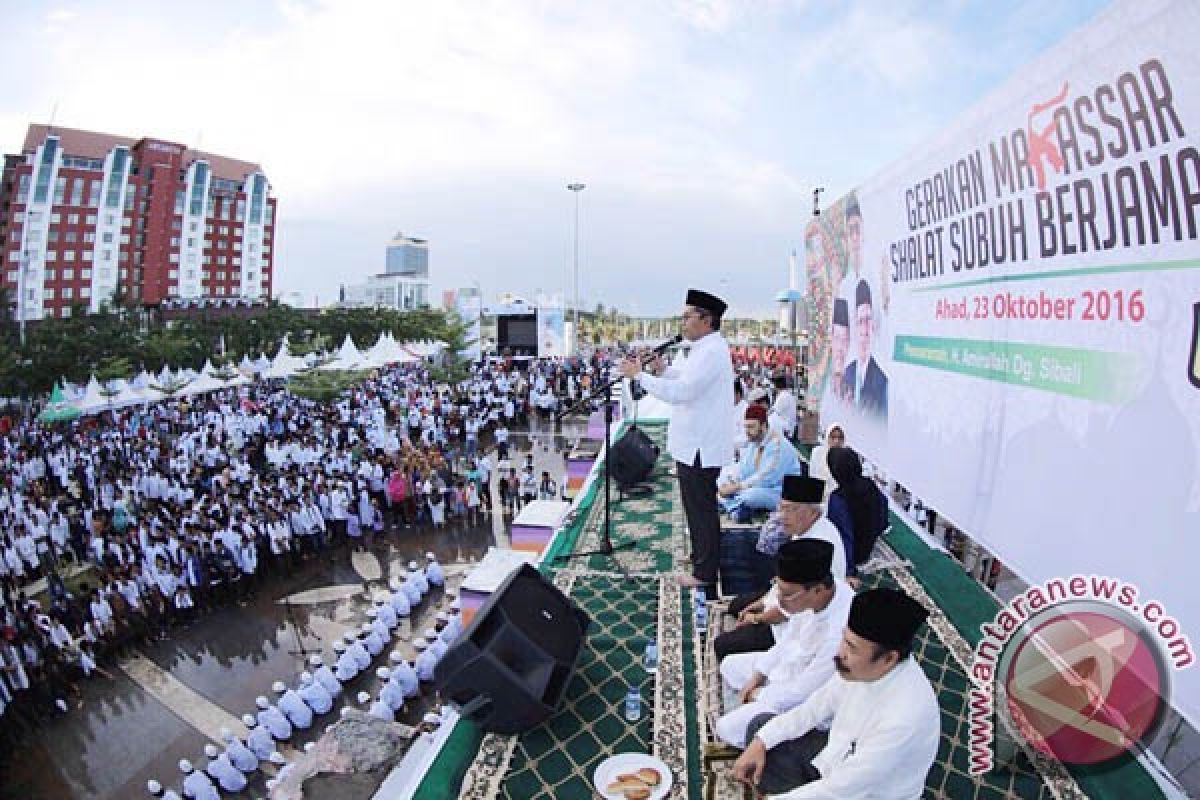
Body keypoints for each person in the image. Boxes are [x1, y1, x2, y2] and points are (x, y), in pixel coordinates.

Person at [732, 588, 939, 799]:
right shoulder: (856, 665)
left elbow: (845, 787)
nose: (840, 652)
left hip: (867, 793)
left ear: (889, 659)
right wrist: (761, 741)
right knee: (761, 729)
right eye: (844, 639)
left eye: (852, 647)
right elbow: (813, 708)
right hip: (835, 759)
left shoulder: (904, 718)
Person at [620, 288, 734, 594]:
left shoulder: (711, 351)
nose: (682, 322)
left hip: (700, 444)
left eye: (687, 316)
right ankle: (702, 556)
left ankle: (705, 571)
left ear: (706, 320)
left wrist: (639, 376)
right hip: (693, 442)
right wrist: (660, 369)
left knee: (701, 508)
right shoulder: (703, 349)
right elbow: (682, 380)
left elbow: (683, 393)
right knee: (697, 506)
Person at [715, 539, 852, 748]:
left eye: (786, 594)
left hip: (807, 697)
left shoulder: (840, 631)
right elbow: (786, 641)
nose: (779, 600)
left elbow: (805, 690)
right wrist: (757, 676)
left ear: (817, 590)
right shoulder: (813, 597)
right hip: (788, 669)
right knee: (729, 665)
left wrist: (757, 694)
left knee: (726, 728)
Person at [714, 475, 846, 661]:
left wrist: (757, 618)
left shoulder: (816, 545)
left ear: (812, 512)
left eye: (790, 509)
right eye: (781, 508)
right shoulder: (804, 529)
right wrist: (761, 603)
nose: (782, 516)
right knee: (737, 606)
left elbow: (792, 607)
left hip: (800, 620)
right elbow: (786, 583)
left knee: (723, 645)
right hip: (792, 599)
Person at [718, 405, 800, 522]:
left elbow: (766, 478)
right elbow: (743, 469)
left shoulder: (779, 445)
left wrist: (736, 487)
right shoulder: (754, 443)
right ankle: (735, 507)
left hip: (777, 491)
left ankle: (733, 505)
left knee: (751, 496)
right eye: (746, 427)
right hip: (755, 487)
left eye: (751, 427)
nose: (747, 432)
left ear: (763, 425)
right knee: (721, 480)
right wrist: (731, 482)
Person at [826, 446, 889, 573]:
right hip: (868, 547)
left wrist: (848, 569)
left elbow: (843, 535)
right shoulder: (869, 484)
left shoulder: (838, 498)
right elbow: (883, 514)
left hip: (852, 555)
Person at [842, 280, 887, 416]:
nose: (864, 330)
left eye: (868, 320)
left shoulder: (882, 380)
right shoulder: (848, 372)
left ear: (874, 325)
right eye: (860, 321)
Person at [827, 299, 853, 405]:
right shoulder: (822, 383)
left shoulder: (854, 383)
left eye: (845, 339)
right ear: (831, 339)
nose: (840, 348)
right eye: (837, 338)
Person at [807, 422, 844, 492]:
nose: (836, 441)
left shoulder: (845, 458)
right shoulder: (817, 452)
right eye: (833, 437)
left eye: (840, 438)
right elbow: (813, 476)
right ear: (827, 437)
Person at [768, 374, 797, 440]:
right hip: (787, 428)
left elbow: (773, 412)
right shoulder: (786, 394)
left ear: (776, 385)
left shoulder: (783, 396)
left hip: (786, 430)